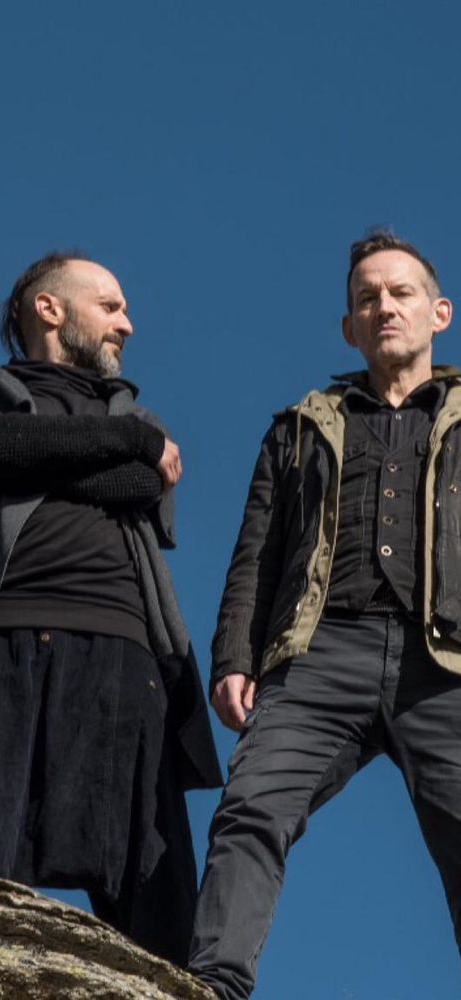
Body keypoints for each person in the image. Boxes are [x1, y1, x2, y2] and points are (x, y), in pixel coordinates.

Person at [0, 252, 221, 965]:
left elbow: (139, 487)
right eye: (111, 306)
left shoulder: (137, 414)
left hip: (124, 646)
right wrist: (127, 446)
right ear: (50, 309)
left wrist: (27, 465)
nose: (128, 323)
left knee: (154, 899)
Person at [189, 230, 461, 997]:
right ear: (348, 326)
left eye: (401, 293)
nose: (385, 308)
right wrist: (234, 657)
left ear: (439, 312)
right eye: (367, 298)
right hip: (318, 653)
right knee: (250, 808)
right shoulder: (301, 425)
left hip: (446, 661)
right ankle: (214, 984)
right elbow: (257, 553)